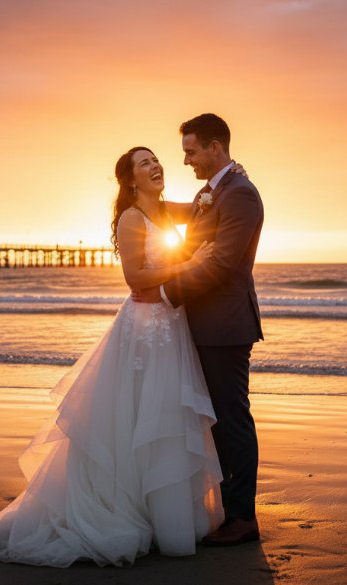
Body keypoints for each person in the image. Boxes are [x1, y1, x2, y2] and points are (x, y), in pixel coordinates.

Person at [0, 146, 226, 567]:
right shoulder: (132, 218)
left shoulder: (166, 210)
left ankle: (163, 517)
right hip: (143, 330)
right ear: (130, 179)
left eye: (157, 160)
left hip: (171, 326)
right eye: (145, 163)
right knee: (133, 419)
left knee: (164, 420)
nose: (156, 166)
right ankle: (122, 510)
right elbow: (135, 278)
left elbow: (204, 207)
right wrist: (188, 264)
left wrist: (228, 180)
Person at [134, 113, 264, 546]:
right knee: (215, 420)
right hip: (205, 323)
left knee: (231, 420)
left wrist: (169, 291)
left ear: (215, 147)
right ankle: (228, 510)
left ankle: (243, 518)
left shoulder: (241, 194)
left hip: (225, 326)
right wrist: (138, 203)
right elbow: (190, 225)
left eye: (191, 151)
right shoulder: (213, 192)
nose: (186, 159)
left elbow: (223, 262)